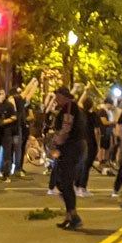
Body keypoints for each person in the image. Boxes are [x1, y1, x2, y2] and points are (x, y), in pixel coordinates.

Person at [44, 86, 88, 230]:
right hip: (73, 148)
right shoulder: (73, 107)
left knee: (66, 182)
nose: (56, 98)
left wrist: (54, 142)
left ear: (64, 96)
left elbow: (66, 128)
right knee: (63, 182)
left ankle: (74, 216)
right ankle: (69, 216)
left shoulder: (69, 108)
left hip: (71, 149)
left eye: (58, 96)